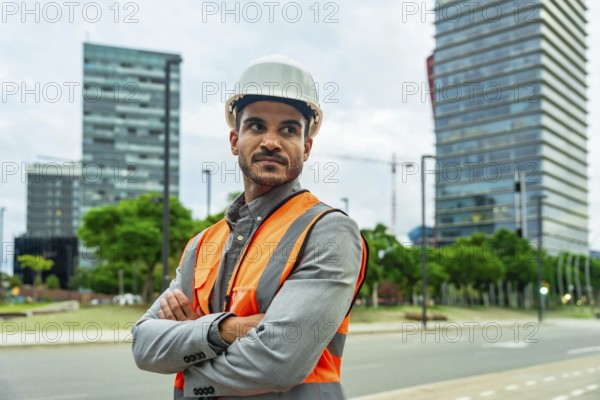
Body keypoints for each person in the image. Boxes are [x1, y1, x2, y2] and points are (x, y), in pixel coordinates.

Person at [132, 55, 368, 399]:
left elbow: (278, 361)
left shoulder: (327, 231)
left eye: (288, 129)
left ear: (306, 146)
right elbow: (143, 343)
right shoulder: (203, 244)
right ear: (234, 141)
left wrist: (189, 365)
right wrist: (227, 330)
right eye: (256, 126)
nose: (271, 141)